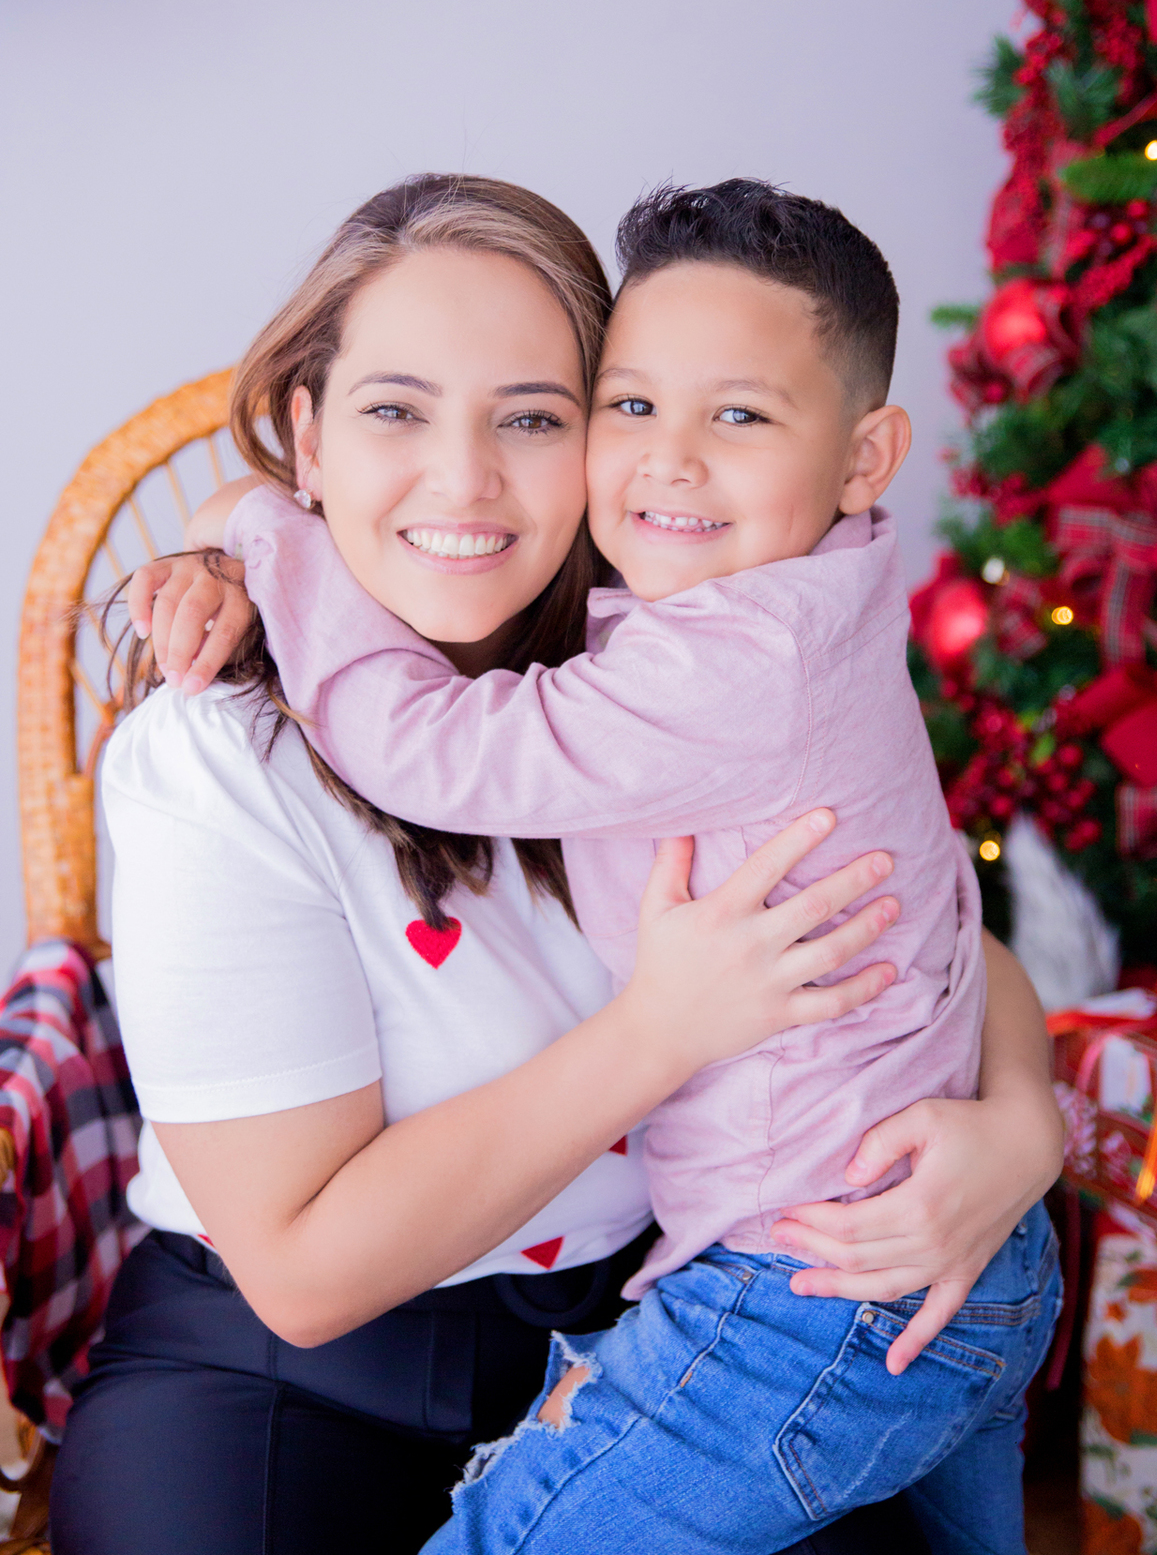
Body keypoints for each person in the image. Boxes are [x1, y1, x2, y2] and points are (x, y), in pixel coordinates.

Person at [64, 176, 1063, 1555]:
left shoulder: (659, 672)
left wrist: (1018, 1127)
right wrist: (663, 1030)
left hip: (685, 1329)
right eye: (393, 411)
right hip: (290, 1376)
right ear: (307, 435)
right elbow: (298, 1276)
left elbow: (924, 922)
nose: (467, 479)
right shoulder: (221, 750)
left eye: (533, 416)